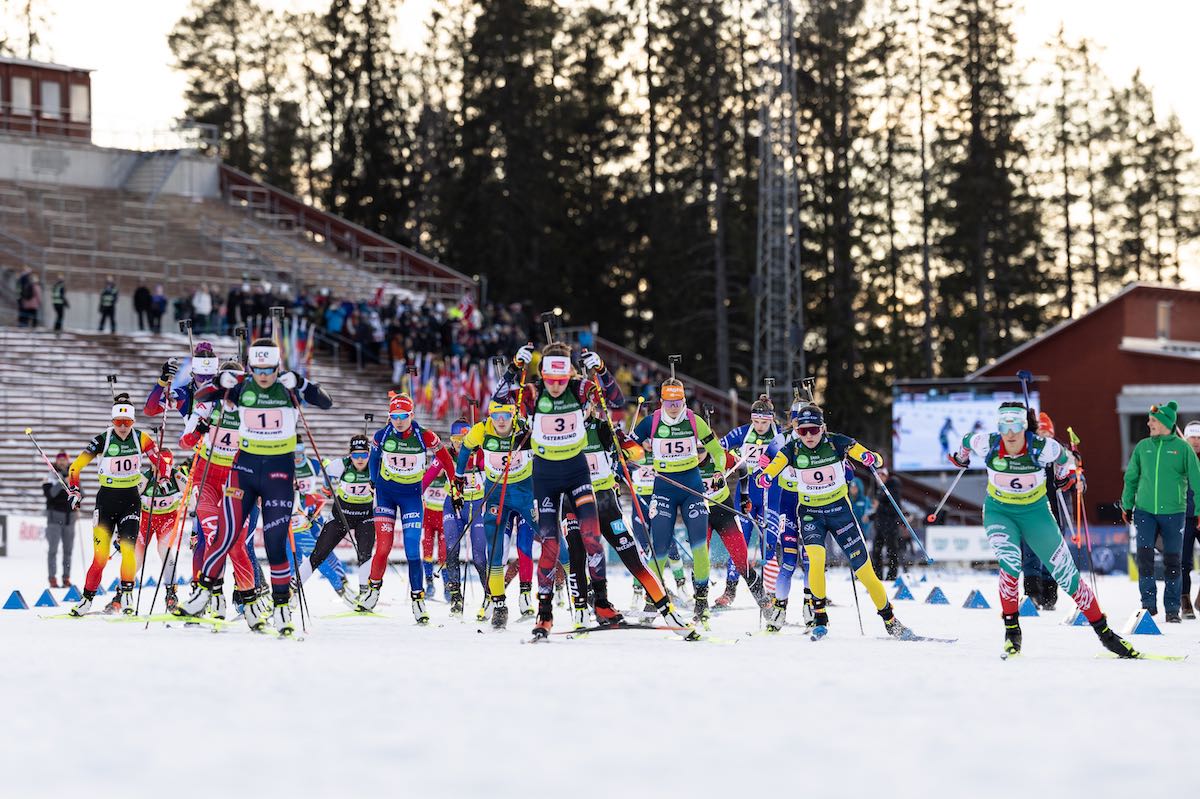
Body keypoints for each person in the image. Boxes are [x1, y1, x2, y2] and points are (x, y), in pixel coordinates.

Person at [174, 338, 333, 636]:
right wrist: (205, 417)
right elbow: (195, 414)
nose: (262, 376)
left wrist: (301, 382)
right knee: (219, 536)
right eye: (256, 370)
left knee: (268, 544)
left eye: (269, 369)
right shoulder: (231, 396)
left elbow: (325, 401)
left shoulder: (284, 392)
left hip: (271, 474)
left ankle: (273, 606)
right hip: (217, 478)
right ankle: (212, 595)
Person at [953, 401, 1137, 657]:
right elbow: (965, 440)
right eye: (1004, 425)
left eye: (1016, 425)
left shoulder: (1043, 448)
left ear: (1025, 425)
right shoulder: (988, 443)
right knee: (1010, 563)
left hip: (1036, 514)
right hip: (999, 513)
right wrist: (960, 458)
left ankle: (1106, 634)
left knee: (1067, 575)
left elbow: (1065, 458)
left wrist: (1065, 476)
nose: (1011, 433)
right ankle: (1012, 631)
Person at [758, 402, 909, 639]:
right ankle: (819, 617)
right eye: (802, 430)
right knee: (816, 559)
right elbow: (776, 465)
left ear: (823, 428)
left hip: (840, 513)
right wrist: (767, 476)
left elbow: (864, 453)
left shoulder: (837, 442)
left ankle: (890, 619)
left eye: (814, 430)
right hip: (810, 514)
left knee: (865, 572)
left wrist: (871, 458)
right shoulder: (793, 449)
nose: (808, 435)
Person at [631, 376, 726, 623]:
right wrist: (638, 456)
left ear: (684, 400)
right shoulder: (650, 422)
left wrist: (719, 471)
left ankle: (701, 603)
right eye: (669, 402)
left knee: (699, 549)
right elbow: (627, 446)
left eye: (679, 402)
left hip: (692, 489)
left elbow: (717, 451)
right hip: (663, 489)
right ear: (661, 401)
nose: (674, 407)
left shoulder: (694, 421)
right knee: (659, 548)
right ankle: (653, 602)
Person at [359, 392, 457, 623]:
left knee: (412, 550)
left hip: (412, 497)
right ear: (390, 417)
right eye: (395, 416)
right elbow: (373, 460)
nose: (399, 420)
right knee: (383, 548)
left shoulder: (425, 436)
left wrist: (455, 480)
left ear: (411, 415)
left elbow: (444, 457)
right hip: (385, 495)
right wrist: (373, 481)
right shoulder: (382, 435)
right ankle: (372, 591)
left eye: (404, 416)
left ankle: (418, 600)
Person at [67, 393, 164, 616]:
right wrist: (74, 489)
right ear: (112, 422)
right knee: (100, 557)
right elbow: (75, 467)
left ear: (133, 422)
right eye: (118, 423)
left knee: (128, 551)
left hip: (131, 501)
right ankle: (87, 600)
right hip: (106, 502)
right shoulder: (102, 439)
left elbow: (160, 461)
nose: (122, 427)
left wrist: (163, 471)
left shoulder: (142, 438)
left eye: (127, 423)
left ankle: (128, 596)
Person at [1121, 401, 1200, 623]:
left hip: (1175, 513)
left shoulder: (1183, 449)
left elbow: (1197, 481)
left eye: (1153, 420)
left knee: (1173, 561)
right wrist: (1127, 504)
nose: (1149, 423)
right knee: (1144, 558)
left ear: (1166, 423)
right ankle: (1148, 605)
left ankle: (1173, 609)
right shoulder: (1143, 446)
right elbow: (1131, 478)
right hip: (1145, 511)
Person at [716, 393, 779, 607]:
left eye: (764, 422)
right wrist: (728, 455)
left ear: (771, 419)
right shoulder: (742, 433)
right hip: (746, 492)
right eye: (756, 421)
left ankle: (771, 593)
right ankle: (729, 591)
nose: (760, 426)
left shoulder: (780, 436)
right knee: (739, 543)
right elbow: (718, 448)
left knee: (769, 544)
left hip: (772, 493)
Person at [1022, 412, 1067, 610]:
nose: (1043, 437)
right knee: (1031, 551)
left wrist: (1077, 478)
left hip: (1054, 510)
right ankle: (1032, 592)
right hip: (1031, 508)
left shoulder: (1058, 451)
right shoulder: (1029, 451)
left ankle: (1050, 593)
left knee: (1052, 553)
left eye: (1047, 433)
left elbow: (1072, 475)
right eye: (1040, 432)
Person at [133, 448, 187, 609]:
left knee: (164, 549)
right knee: (137, 555)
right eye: (159, 465)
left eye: (167, 465)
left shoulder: (176, 476)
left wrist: (188, 504)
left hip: (168, 519)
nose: (163, 469)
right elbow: (131, 501)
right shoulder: (145, 478)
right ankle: (122, 591)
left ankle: (171, 592)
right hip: (146, 520)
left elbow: (192, 493)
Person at [42, 451, 76, 588]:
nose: (62, 462)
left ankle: (66, 577)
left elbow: (81, 494)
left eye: (64, 459)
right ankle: (52, 578)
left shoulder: (73, 475)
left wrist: (71, 483)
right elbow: (50, 495)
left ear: (68, 461)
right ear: (56, 461)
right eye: (60, 460)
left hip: (70, 519)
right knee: (53, 550)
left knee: (68, 551)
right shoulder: (50, 476)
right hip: (54, 519)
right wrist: (61, 482)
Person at [868, 467, 904, 582]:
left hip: (890, 527)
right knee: (876, 552)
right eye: (878, 475)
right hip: (880, 526)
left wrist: (879, 506)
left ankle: (891, 576)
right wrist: (870, 517)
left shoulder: (892, 489)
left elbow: (894, 509)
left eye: (882, 475)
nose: (880, 478)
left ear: (886, 476)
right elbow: (879, 511)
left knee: (892, 552)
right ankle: (878, 575)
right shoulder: (879, 489)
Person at [1183, 421, 1200, 619]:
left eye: (1199, 438)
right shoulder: (1180, 458)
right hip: (1185, 516)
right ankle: (1184, 600)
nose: (1196, 441)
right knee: (1183, 562)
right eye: (1192, 437)